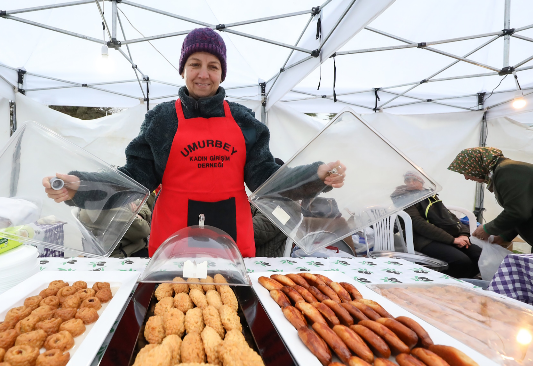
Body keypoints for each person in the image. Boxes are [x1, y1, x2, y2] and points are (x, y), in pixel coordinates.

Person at [44, 28, 345, 257]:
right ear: (183, 69)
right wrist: (80, 186)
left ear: (222, 73)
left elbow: (266, 179)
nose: (203, 74)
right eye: (195, 64)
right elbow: (134, 179)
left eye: (213, 66)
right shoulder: (162, 120)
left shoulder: (244, 120)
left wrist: (316, 175)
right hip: (173, 239)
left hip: (233, 240)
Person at [395, 171, 481, 278]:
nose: (411, 182)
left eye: (414, 179)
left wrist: (463, 234)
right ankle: (447, 283)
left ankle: (464, 281)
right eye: (407, 180)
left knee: (479, 255)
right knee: (461, 261)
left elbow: (450, 217)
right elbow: (418, 224)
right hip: (422, 239)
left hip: (444, 236)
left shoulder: (429, 195)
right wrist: (452, 240)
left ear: (422, 182)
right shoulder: (403, 198)